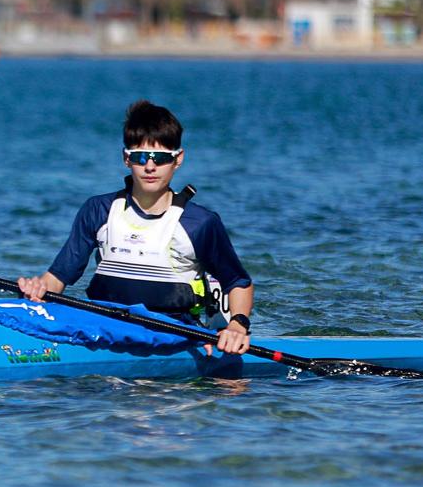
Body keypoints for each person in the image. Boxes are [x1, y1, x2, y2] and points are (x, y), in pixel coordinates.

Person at [17, 99, 255, 354]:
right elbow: (57, 278)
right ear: (126, 159)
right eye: (140, 157)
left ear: (178, 159)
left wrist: (237, 326)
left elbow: (238, 282)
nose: (150, 167)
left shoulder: (200, 223)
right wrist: (37, 288)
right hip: (106, 326)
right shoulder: (98, 210)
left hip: (176, 332)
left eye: (161, 158)